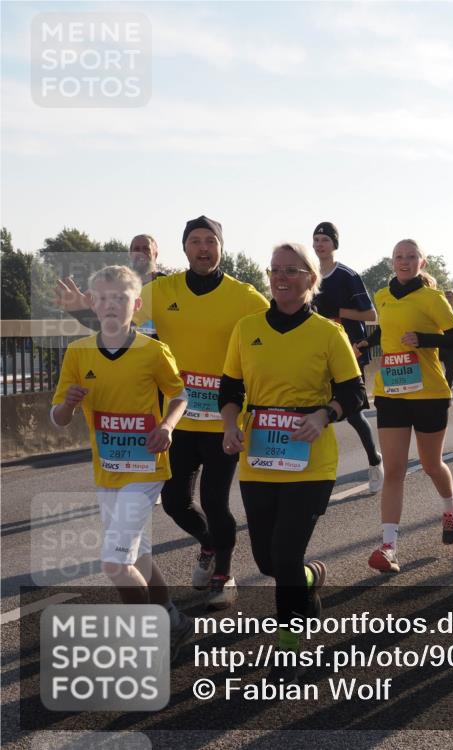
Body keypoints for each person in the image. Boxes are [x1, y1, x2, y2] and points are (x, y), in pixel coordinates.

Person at [219, 243, 364, 684]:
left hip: (311, 461)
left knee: (283, 551)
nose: (282, 278)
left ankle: (288, 643)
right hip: (261, 456)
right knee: (267, 560)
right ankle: (306, 578)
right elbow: (229, 388)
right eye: (276, 270)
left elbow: (354, 393)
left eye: (293, 270)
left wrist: (324, 415)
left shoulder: (328, 333)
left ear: (310, 279)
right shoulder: (246, 328)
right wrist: (229, 425)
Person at [50, 265, 193, 661]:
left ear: (136, 304)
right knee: (139, 556)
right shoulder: (79, 352)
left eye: (120, 298)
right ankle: (172, 619)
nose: (112, 305)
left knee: (114, 562)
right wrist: (67, 405)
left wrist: (167, 425)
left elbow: (181, 396)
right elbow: (58, 418)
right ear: (93, 304)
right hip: (107, 471)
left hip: (146, 470)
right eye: (104, 298)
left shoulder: (153, 351)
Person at [137, 217, 269, 608]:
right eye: (195, 241)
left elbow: (274, 333)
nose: (203, 247)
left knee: (215, 500)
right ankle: (209, 543)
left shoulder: (245, 297)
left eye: (210, 241)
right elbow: (120, 320)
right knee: (176, 501)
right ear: (184, 249)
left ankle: (224, 576)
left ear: (221, 248)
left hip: (224, 418)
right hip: (176, 419)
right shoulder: (159, 291)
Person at [358, 239, 453, 574]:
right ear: (392, 261)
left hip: (429, 392)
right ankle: (388, 546)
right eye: (398, 257)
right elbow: (389, 332)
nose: (404, 262)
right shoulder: (382, 296)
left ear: (422, 262)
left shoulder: (432, 298)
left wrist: (424, 339)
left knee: (432, 464)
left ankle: (451, 506)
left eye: (410, 257)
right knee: (394, 470)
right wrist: (368, 342)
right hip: (391, 391)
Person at [311, 221, 384, 494]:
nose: (320, 245)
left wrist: (338, 312)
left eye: (325, 240)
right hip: (316, 349)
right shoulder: (308, 274)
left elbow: (371, 315)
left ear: (334, 244)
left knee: (352, 412)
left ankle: (374, 460)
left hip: (348, 349)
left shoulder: (347, 275)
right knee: (315, 408)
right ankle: (317, 474)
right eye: (316, 240)